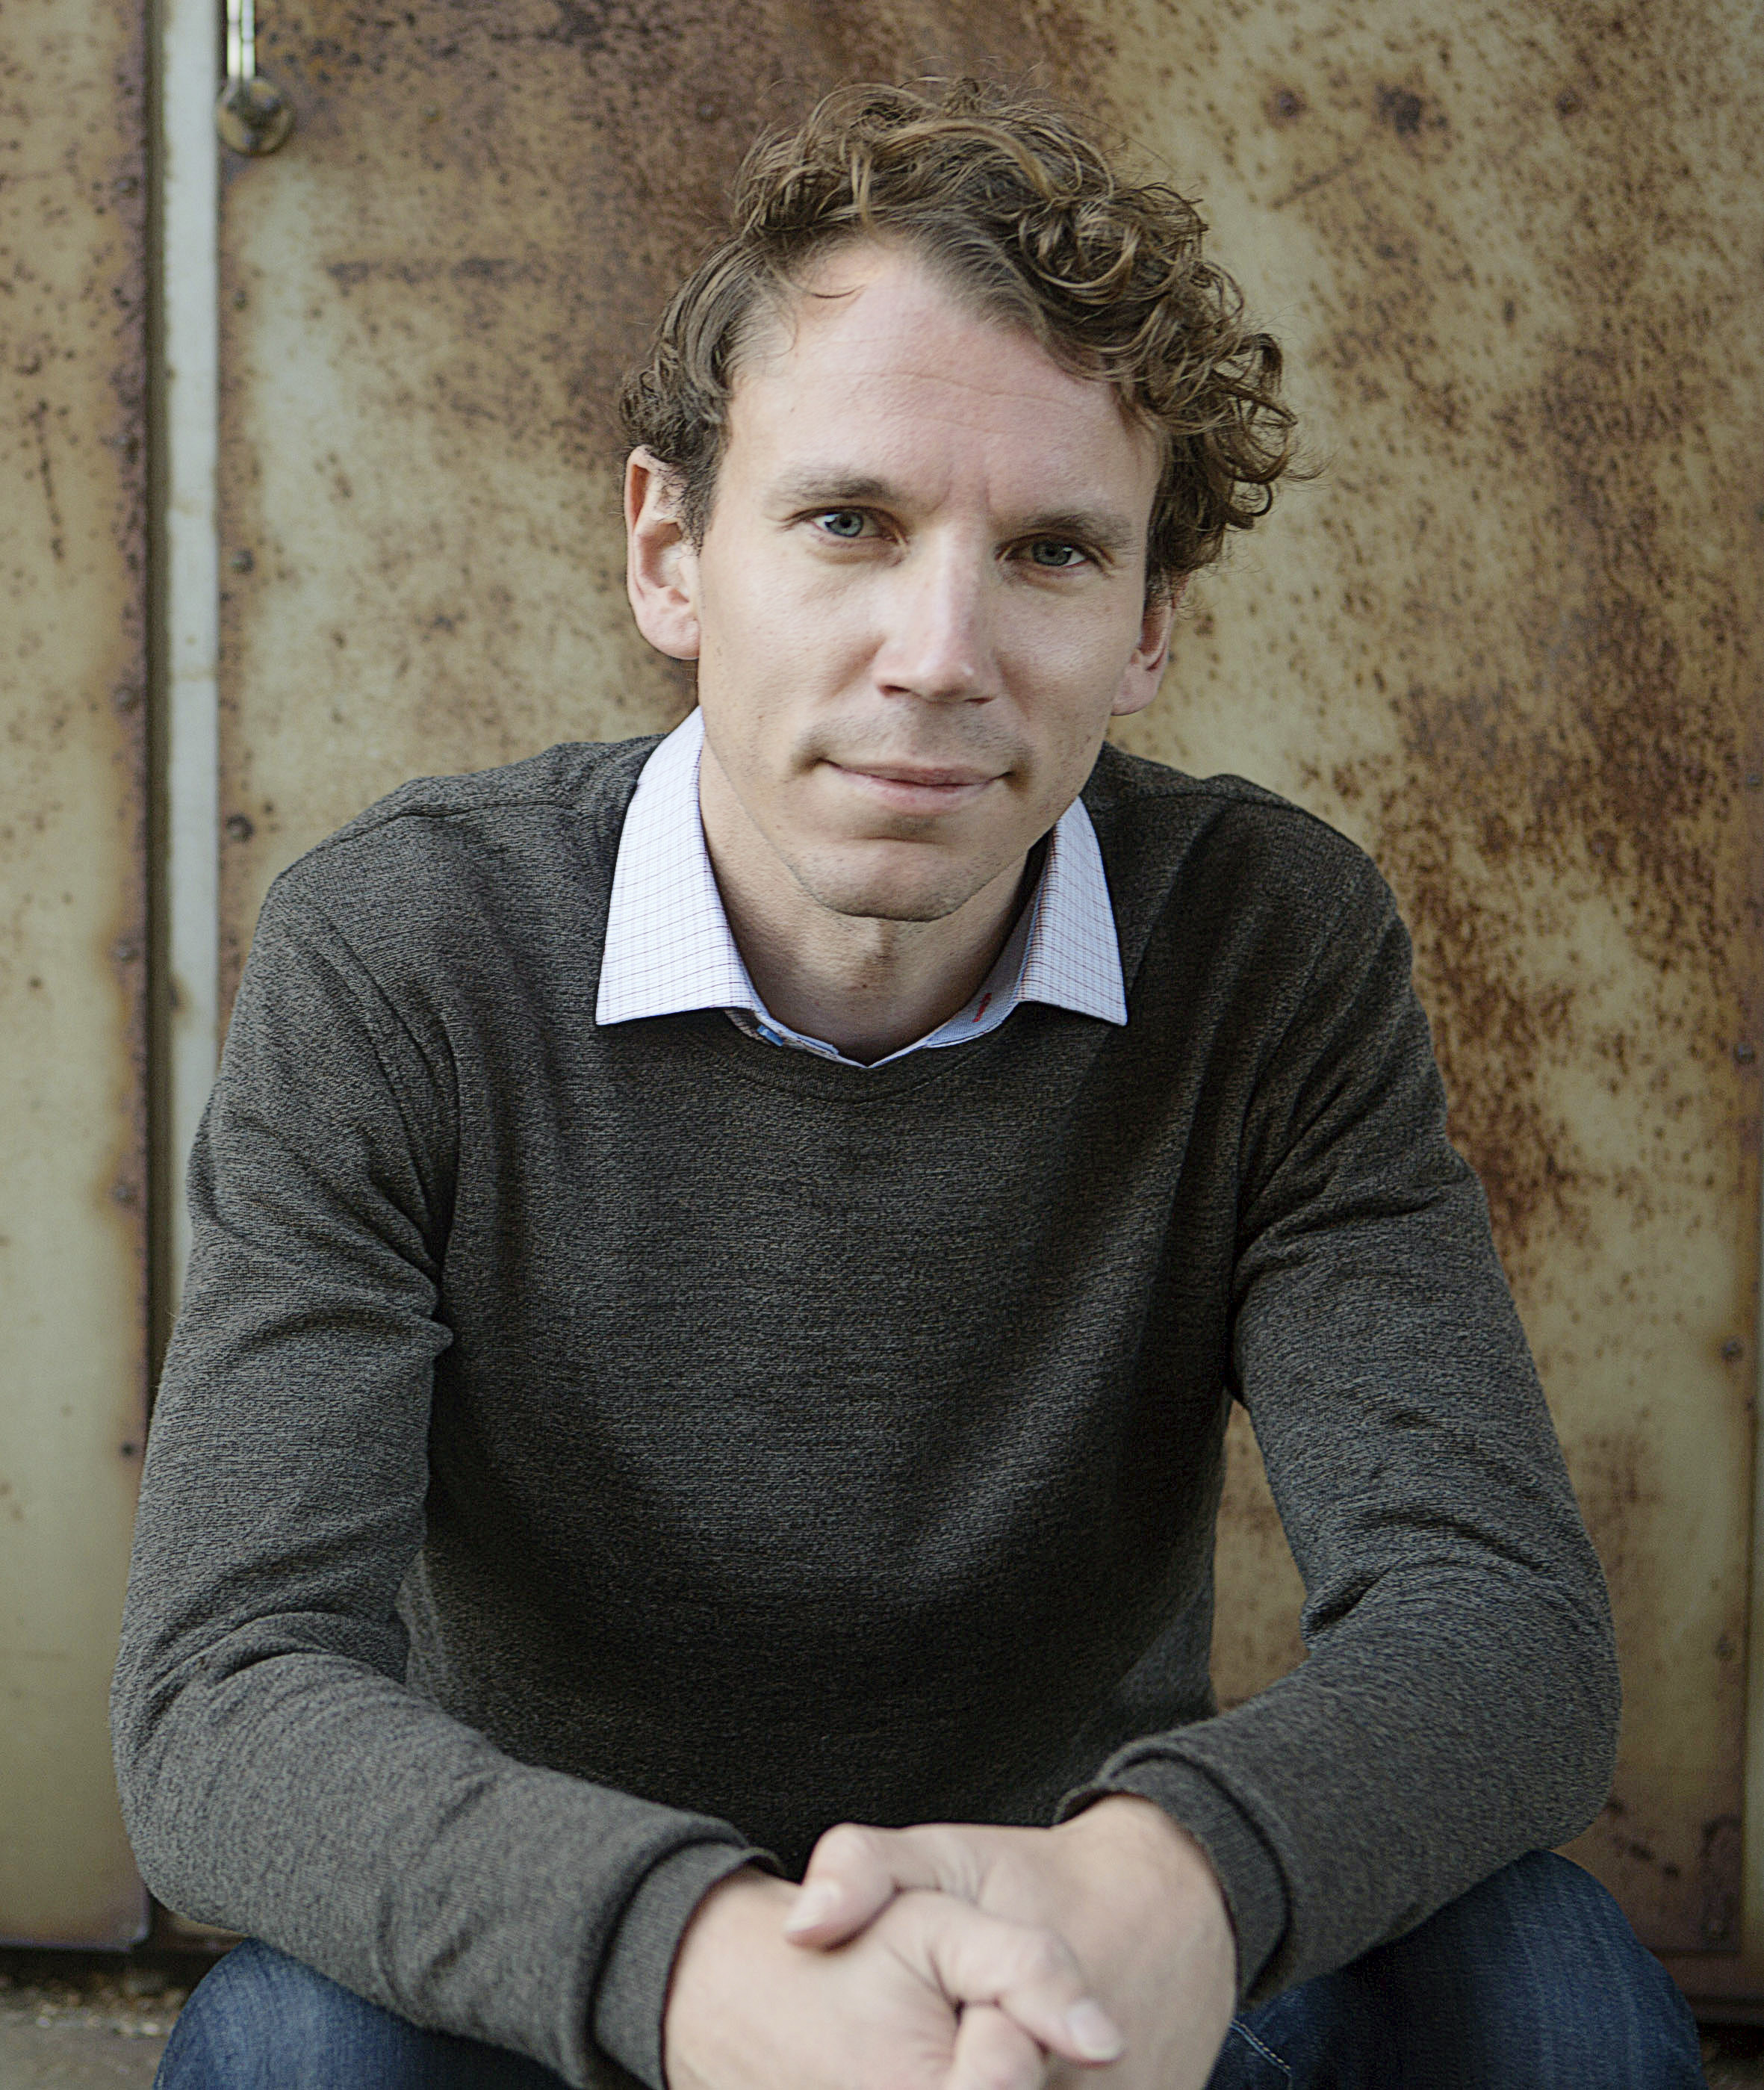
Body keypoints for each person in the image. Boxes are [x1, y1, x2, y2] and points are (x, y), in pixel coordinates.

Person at [114, 78, 1702, 2090]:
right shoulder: (404, 951)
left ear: (1147, 625)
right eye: (849, 522)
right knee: (295, 2044)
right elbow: (225, 1694)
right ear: (670, 552)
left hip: (1073, 1992)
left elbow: (1500, 1621)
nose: (939, 653)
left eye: (1049, 551)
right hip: (585, 1991)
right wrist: (705, 1968)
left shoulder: (1266, 947)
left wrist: (1166, 1888)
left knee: (1535, 1975)